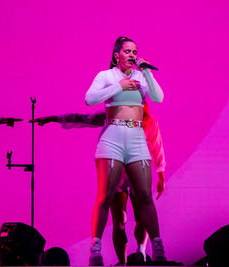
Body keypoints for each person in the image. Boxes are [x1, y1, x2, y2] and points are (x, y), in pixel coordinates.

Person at [31, 101, 166, 265]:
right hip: (117, 175)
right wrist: (55, 118)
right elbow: (83, 118)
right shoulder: (110, 118)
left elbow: (157, 147)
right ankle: (122, 262)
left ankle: (141, 252)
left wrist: (161, 174)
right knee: (120, 221)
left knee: (141, 216)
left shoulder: (149, 122)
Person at [85, 36, 166, 265]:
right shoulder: (106, 76)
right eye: (128, 51)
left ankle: (157, 246)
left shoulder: (140, 75)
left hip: (137, 137)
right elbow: (89, 99)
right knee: (105, 196)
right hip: (112, 135)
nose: (132, 55)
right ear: (116, 55)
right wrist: (118, 86)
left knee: (145, 196)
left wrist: (148, 73)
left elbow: (159, 97)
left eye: (135, 51)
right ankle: (95, 248)